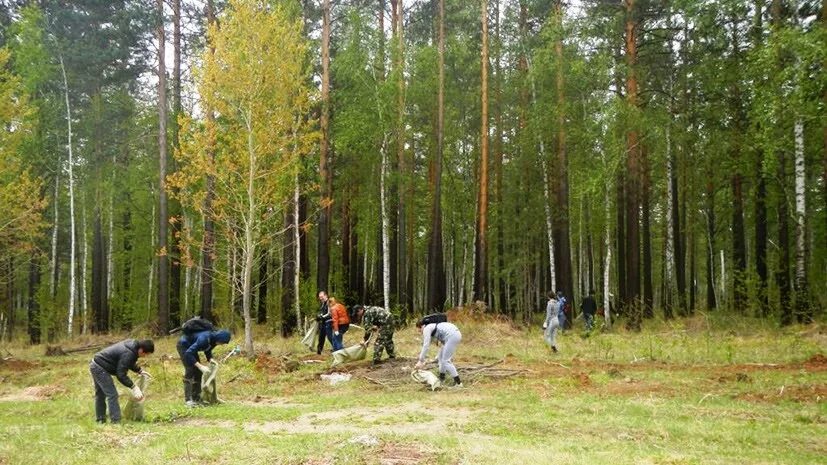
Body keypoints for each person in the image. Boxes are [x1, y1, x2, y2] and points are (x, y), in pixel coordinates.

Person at [89, 339, 154, 424]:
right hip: (100, 367)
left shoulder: (132, 347)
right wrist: (134, 387)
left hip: (96, 363)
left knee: (101, 394)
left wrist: (139, 370)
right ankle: (115, 421)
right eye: (145, 354)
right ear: (141, 350)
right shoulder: (129, 353)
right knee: (112, 394)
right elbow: (121, 375)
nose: (144, 356)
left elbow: (126, 362)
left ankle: (100, 420)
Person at [177, 328, 232, 407]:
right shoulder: (204, 338)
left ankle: (197, 398)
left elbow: (208, 350)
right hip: (184, 345)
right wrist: (200, 366)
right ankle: (188, 400)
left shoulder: (213, 341)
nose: (222, 344)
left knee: (198, 372)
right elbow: (188, 354)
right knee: (190, 370)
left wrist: (211, 359)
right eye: (222, 342)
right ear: (219, 338)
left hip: (191, 348)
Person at [414, 319, 463, 387]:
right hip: (453, 335)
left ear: (422, 326)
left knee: (446, 361)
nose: (420, 332)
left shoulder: (426, 328)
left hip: (452, 336)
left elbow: (426, 346)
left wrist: (420, 360)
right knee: (440, 358)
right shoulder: (432, 327)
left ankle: (458, 383)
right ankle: (441, 379)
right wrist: (427, 360)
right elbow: (437, 344)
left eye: (419, 330)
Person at [315, 291, 331, 355]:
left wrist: (322, 317)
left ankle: (337, 349)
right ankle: (319, 351)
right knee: (321, 337)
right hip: (323, 323)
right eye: (320, 297)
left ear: (325, 295)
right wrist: (319, 316)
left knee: (330, 337)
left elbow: (329, 313)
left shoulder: (328, 302)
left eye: (321, 297)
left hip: (329, 322)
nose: (321, 298)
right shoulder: (322, 303)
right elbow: (322, 312)